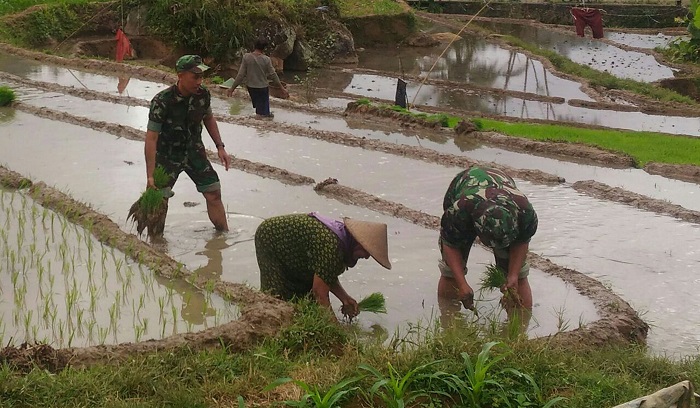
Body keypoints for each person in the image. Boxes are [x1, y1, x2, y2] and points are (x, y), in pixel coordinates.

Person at [438, 165, 538, 322]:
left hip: (503, 190)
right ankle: (448, 320)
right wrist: (462, 284)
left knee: (518, 279)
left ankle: (520, 326)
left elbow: (521, 242)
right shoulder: (460, 210)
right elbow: (450, 244)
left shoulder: (525, 212)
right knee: (451, 273)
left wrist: (512, 275)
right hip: (465, 190)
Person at [145, 54, 232, 231]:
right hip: (168, 157)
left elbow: (208, 118)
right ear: (180, 75)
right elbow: (151, 138)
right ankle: (155, 244)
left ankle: (223, 236)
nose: (199, 81)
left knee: (213, 193)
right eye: (195, 76)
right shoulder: (162, 101)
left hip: (194, 152)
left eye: (201, 76)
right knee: (160, 198)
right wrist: (150, 175)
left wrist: (220, 147)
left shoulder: (203, 95)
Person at [254, 213, 391, 318]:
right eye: (367, 252)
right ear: (357, 243)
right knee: (276, 297)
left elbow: (325, 273)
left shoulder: (341, 241)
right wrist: (335, 329)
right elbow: (319, 292)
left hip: (295, 249)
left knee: (304, 301)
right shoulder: (332, 246)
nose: (366, 257)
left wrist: (344, 298)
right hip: (270, 238)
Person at [225, 37, 287, 118]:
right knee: (262, 113)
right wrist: (282, 88)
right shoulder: (266, 59)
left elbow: (240, 75)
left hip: (251, 87)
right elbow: (273, 75)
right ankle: (261, 123)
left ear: (254, 46)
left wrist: (232, 88)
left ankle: (263, 117)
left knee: (260, 108)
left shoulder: (246, 57)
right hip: (262, 88)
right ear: (264, 48)